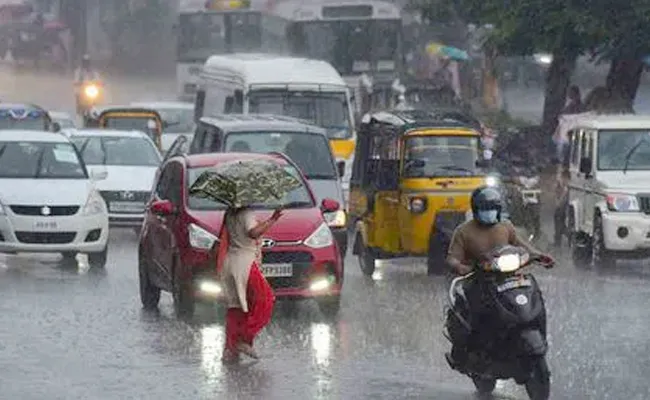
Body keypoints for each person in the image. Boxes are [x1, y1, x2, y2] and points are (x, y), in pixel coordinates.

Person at [445, 186, 551, 367]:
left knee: (533, 293)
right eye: (485, 209)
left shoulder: (506, 227)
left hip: (508, 277)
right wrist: (461, 267)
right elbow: (452, 258)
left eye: (492, 209)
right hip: (479, 279)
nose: (489, 213)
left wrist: (539, 256)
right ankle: (474, 352)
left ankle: (532, 329)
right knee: (478, 313)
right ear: (476, 210)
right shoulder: (464, 231)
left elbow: (522, 245)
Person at [218, 206, 282, 363]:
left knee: (236, 307)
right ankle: (243, 339)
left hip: (230, 262)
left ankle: (230, 349)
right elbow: (253, 233)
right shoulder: (246, 213)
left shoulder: (229, 213)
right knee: (265, 299)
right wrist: (272, 219)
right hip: (245, 263)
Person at [554, 168, 571, 248]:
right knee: (560, 224)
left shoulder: (567, 186)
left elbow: (564, 195)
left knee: (560, 224)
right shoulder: (561, 184)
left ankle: (560, 241)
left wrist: (559, 203)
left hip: (563, 207)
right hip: (561, 207)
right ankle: (558, 240)